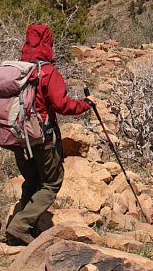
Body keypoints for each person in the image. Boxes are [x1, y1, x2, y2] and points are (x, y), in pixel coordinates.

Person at [5, 24, 94, 245]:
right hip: (42, 138)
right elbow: (62, 105)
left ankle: (21, 227)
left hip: (17, 136)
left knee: (31, 179)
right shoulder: (47, 71)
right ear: (47, 43)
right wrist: (85, 105)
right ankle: (20, 226)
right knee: (52, 182)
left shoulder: (16, 70)